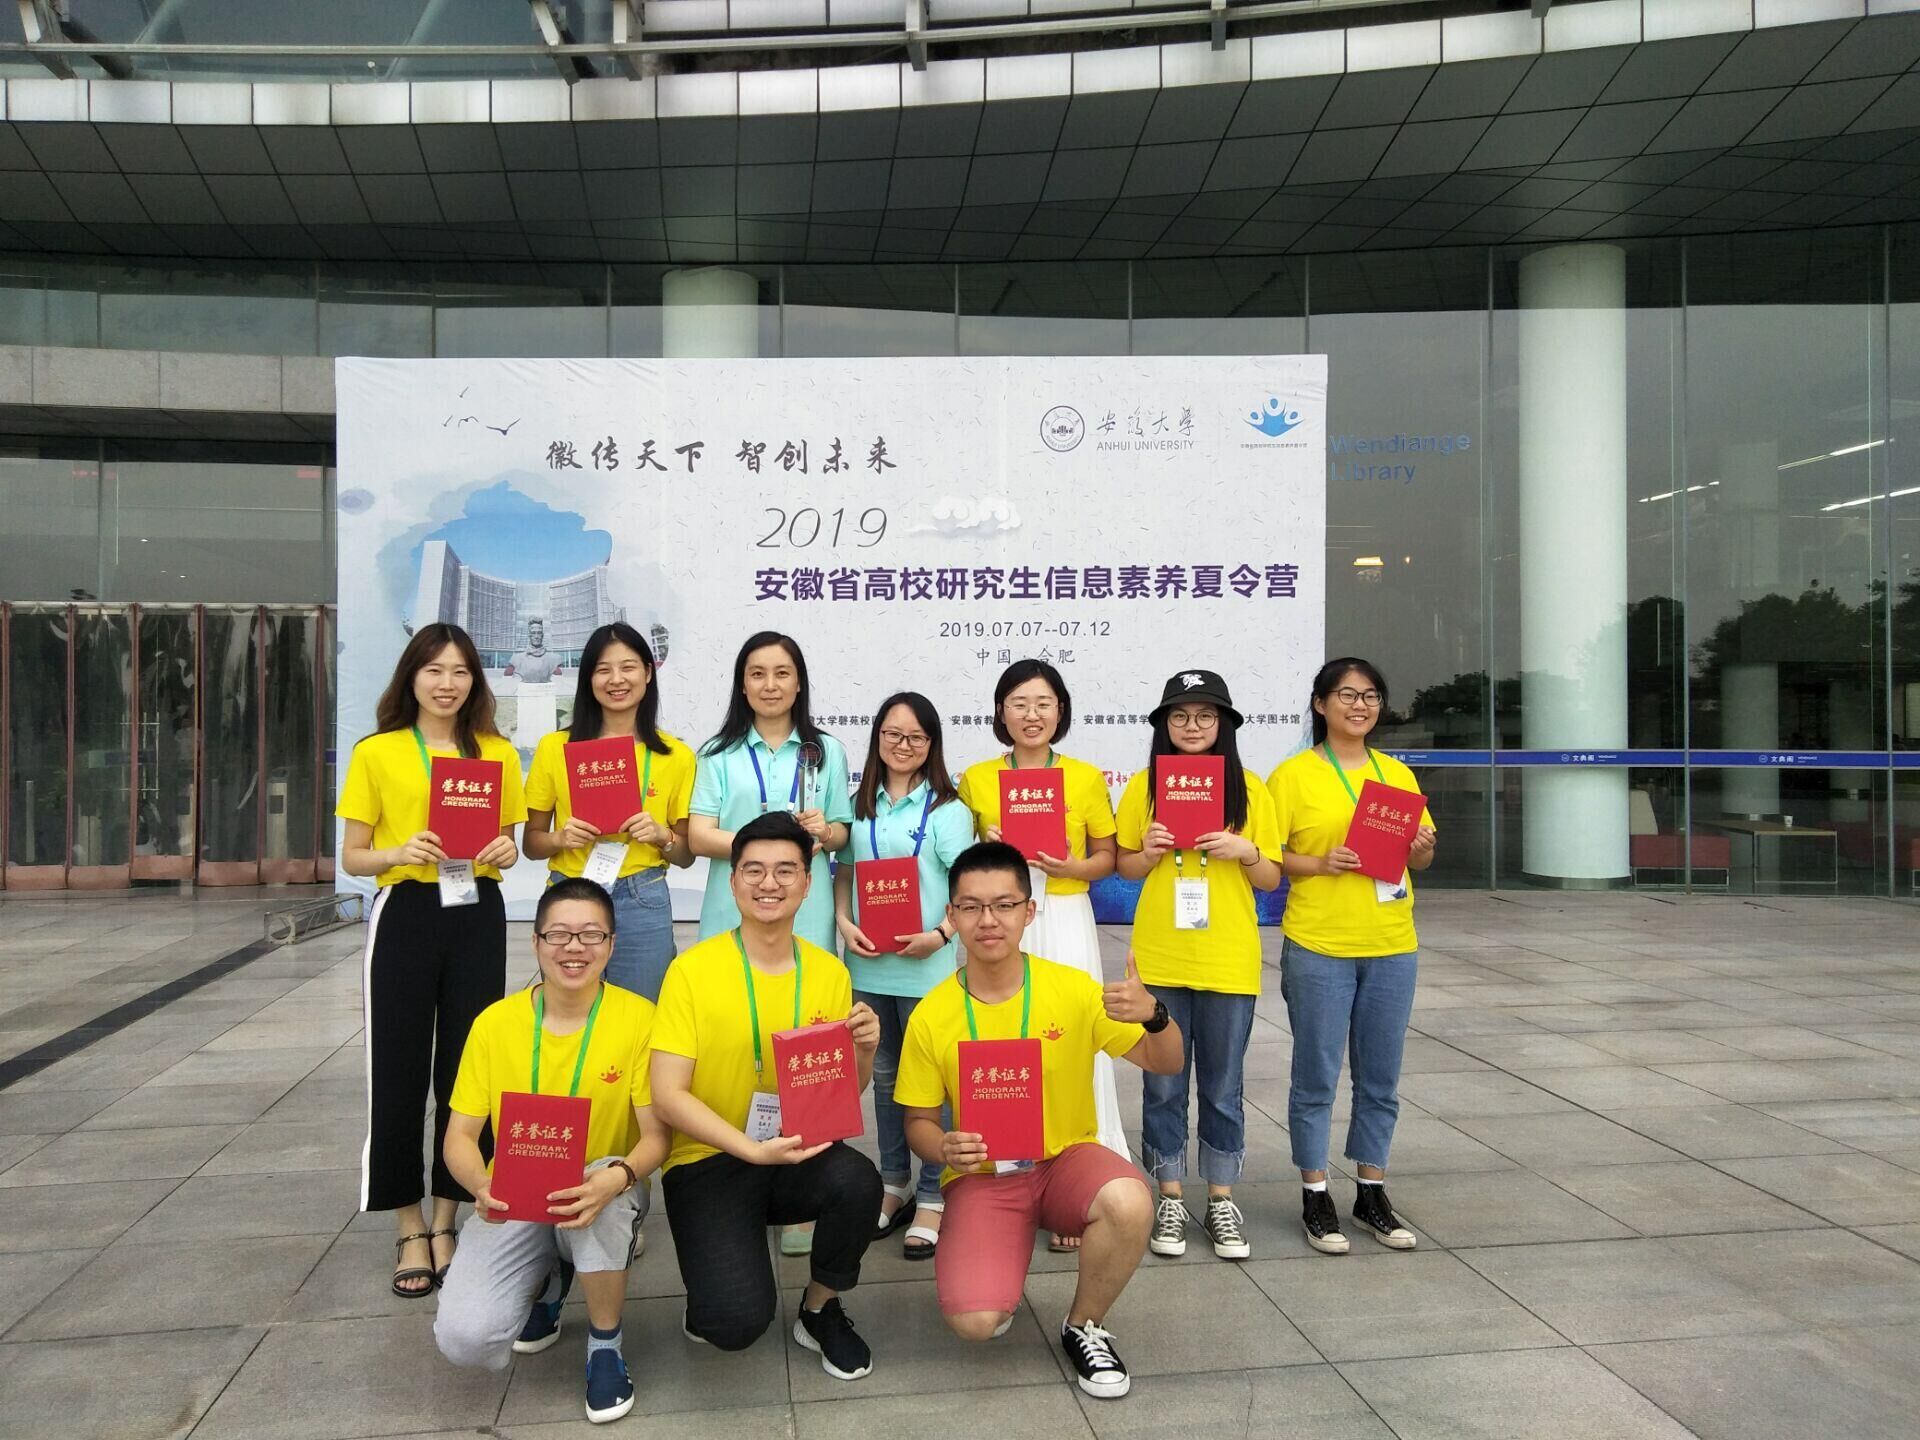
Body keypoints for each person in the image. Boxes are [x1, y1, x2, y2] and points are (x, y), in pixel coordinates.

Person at [895, 842, 1181, 1400]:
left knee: (1128, 1201)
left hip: (1064, 1161)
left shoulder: (1072, 989)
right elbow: (919, 1122)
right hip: (983, 1176)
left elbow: (1165, 1062)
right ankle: (999, 1257)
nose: (989, 920)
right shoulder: (932, 1014)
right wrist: (944, 1148)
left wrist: (1155, 1015)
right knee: (975, 1323)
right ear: (952, 916)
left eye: (1004, 905)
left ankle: (1085, 1325)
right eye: (971, 907)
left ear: (1029, 911)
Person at [650, 812, 885, 1379]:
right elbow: (666, 1094)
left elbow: (841, 1094)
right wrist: (750, 1150)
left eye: (785, 870)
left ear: (807, 882)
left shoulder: (829, 972)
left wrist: (865, 1051)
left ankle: (820, 1308)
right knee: (731, 1324)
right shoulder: (691, 971)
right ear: (732, 882)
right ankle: (715, 1273)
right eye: (753, 870)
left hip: (796, 1150)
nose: (768, 883)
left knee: (859, 1182)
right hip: (709, 1157)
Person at [434, 877, 667, 1425]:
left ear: (612, 944)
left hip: (602, 1189)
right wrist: (481, 1186)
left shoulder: (640, 1019)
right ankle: (552, 1278)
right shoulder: (495, 1024)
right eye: (559, 934)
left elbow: (657, 1137)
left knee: (601, 1192)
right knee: (465, 1339)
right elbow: (459, 1137)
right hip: (513, 1194)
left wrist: (620, 1177)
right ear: (536, 941)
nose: (574, 948)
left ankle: (605, 1344)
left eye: (591, 935)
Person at [337, 623, 525, 1297]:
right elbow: (353, 855)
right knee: (398, 1070)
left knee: (468, 1071)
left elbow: (507, 842)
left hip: (476, 911)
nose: (448, 684)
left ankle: (448, 1217)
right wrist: (398, 852)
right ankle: (409, 1224)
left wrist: (506, 849)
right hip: (407, 914)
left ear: (476, 681)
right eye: (435, 670)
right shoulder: (377, 752)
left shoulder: (496, 753)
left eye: (461, 672)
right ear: (411, 676)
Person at [1266, 658, 1436, 1256]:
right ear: (1320, 704)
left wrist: (1421, 846)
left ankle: (1371, 1190)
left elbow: (1420, 860)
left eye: (1369, 696)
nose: (1359, 706)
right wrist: (1321, 862)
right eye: (1346, 694)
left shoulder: (1397, 774)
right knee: (1316, 1077)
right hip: (1320, 946)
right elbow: (1268, 860)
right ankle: (1315, 1192)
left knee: (1380, 1079)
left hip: (1392, 944)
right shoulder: (1292, 776)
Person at [1115, 670, 1284, 1261]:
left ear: (1224, 725)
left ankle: (1220, 1197)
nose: (1192, 726)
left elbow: (1271, 878)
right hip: (1161, 957)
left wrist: (1247, 851)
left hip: (1227, 960)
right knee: (1162, 1085)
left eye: (1205, 716)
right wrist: (1148, 852)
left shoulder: (1250, 789)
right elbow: (1126, 868)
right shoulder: (1144, 787)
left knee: (1222, 1086)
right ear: (1165, 724)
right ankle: (1168, 1195)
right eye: (1180, 716)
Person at [957, 659, 1124, 1250]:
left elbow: (1107, 858)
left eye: (1044, 703)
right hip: (1000, 918)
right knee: (1000, 1038)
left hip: (1066, 915)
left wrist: (1071, 865)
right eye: (1019, 703)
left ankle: (1078, 1184)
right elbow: (960, 858)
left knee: (1073, 1035)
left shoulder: (1084, 777)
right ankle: (1005, 1172)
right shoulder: (977, 779)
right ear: (1001, 712)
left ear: (1061, 711)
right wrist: (985, 845)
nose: (1032, 715)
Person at [834, 693, 975, 1258]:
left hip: (927, 968)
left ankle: (935, 1193)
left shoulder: (948, 810)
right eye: (892, 734)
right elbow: (844, 873)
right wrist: (844, 922)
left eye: (916, 736)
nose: (903, 745)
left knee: (933, 1083)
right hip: (869, 964)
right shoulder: (858, 804)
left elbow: (965, 888)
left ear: (932, 744)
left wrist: (941, 935)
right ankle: (894, 1183)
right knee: (885, 1075)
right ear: (878, 738)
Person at [524, 623, 696, 1002]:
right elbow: (531, 844)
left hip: (643, 895)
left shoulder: (676, 756)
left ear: (648, 673)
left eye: (628, 667)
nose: (616, 680)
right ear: (588, 679)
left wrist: (662, 836)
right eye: (603, 670)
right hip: (570, 892)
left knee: (643, 1012)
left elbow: (685, 855)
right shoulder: (555, 748)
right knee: (570, 1014)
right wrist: (559, 838)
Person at [506, 616, 562, 683]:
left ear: (542, 635)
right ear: (529, 635)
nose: (536, 636)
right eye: (533, 633)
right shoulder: (517, 658)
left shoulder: (554, 658)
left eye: (539, 633)